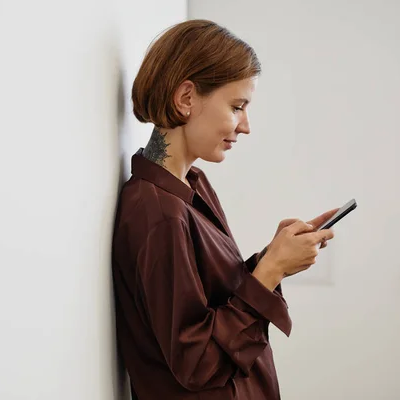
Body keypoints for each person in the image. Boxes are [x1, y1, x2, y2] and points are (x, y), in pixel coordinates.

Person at [111, 19, 337, 400]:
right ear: (186, 99)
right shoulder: (157, 213)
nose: (245, 126)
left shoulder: (192, 186)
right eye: (237, 106)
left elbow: (214, 300)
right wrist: (271, 270)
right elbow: (197, 362)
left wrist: (273, 255)